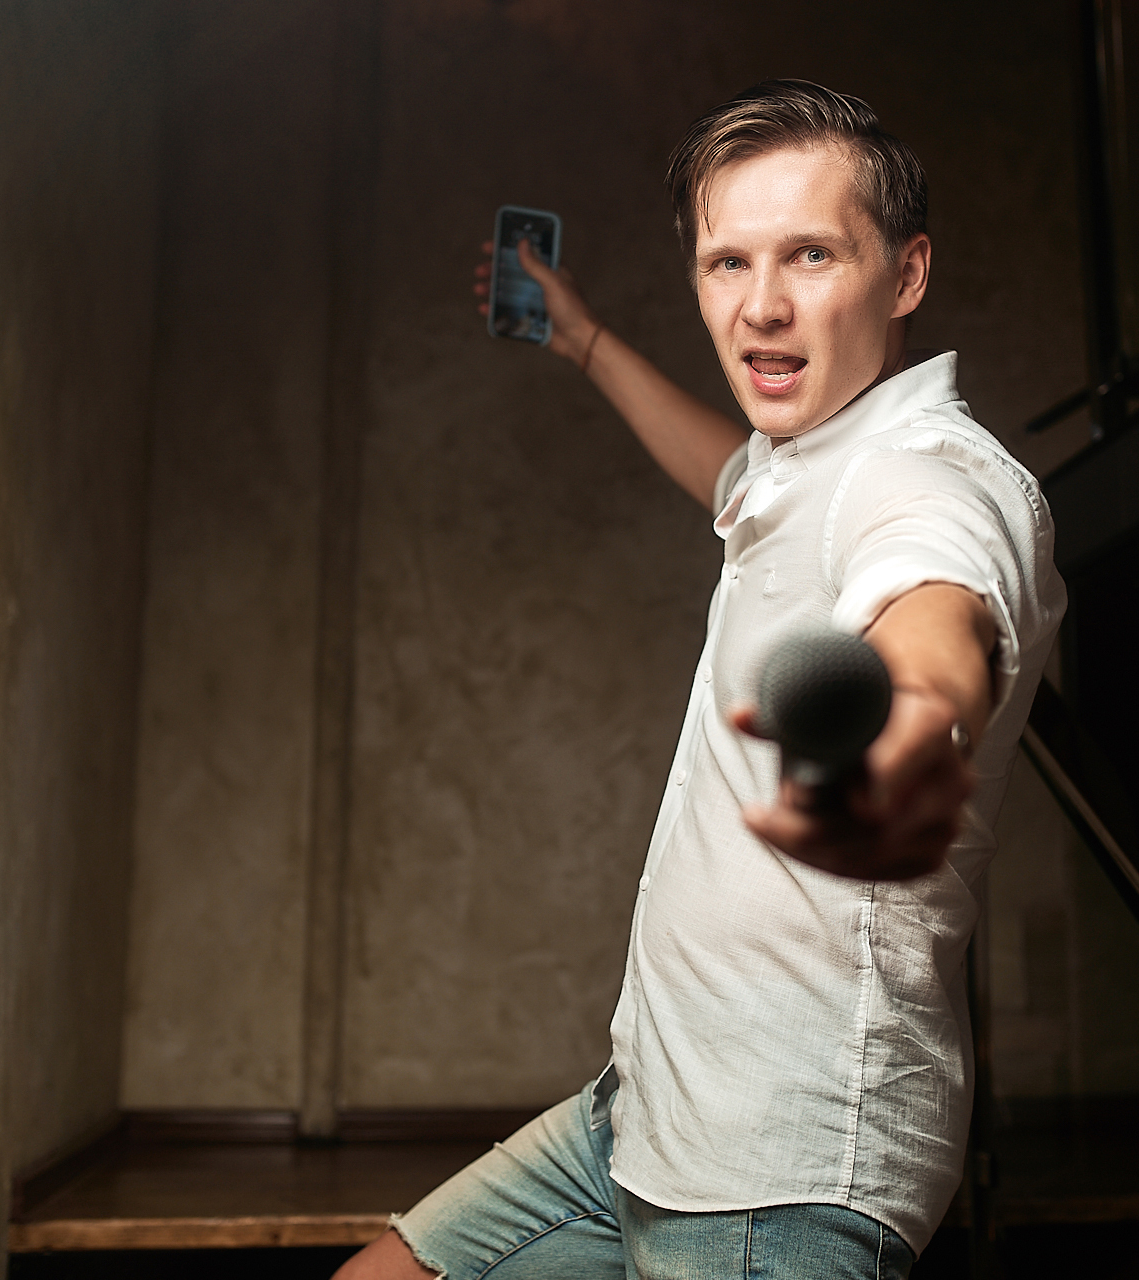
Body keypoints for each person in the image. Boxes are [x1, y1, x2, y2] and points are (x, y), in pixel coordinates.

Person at [337, 79, 1064, 1280]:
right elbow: (733, 480)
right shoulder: (800, 466)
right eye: (728, 263)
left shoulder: (931, 472)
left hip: (779, 1165)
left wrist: (914, 720)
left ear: (907, 273)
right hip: (643, 1110)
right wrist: (581, 338)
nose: (762, 306)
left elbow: (938, 600)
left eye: (812, 254)